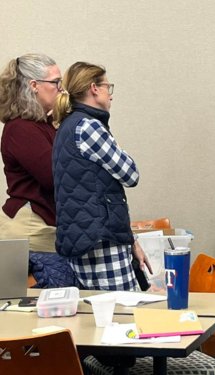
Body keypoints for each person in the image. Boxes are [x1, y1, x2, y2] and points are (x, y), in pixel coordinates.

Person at [51, 62, 151, 291]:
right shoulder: (88, 127)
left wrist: (131, 239)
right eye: (108, 87)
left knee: (97, 318)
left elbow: (94, 190)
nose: (111, 96)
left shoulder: (66, 127)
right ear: (94, 88)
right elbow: (130, 174)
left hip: (84, 238)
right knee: (124, 316)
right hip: (101, 242)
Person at [0, 54, 62, 251]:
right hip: (32, 228)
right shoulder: (21, 129)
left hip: (45, 224)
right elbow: (55, 176)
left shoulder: (46, 124)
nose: (62, 89)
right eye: (56, 83)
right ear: (34, 85)